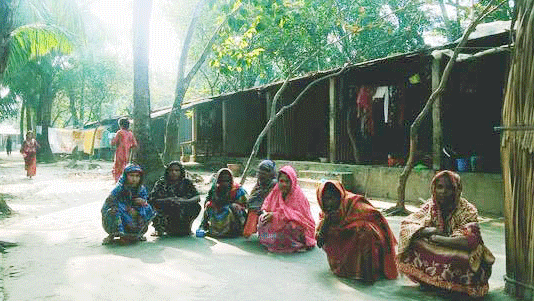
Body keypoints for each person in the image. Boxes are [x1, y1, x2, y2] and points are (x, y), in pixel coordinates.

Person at [397, 170, 495, 297]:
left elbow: (470, 240)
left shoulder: (467, 209)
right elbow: (407, 226)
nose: (443, 191)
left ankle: (456, 287)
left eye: (449, 188)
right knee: (413, 243)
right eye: (440, 187)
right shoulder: (430, 206)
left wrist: (439, 239)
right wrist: (430, 231)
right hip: (439, 244)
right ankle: (431, 282)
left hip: (460, 248)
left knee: (460, 259)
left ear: (457, 190)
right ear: (434, 189)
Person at [316, 180, 398, 282]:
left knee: (365, 231)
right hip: (343, 252)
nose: (329, 203)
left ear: (340, 196)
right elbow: (319, 242)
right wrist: (326, 223)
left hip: (364, 241)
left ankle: (367, 271)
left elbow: (377, 218)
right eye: (325, 200)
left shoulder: (354, 204)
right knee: (332, 231)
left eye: (332, 198)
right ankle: (344, 267)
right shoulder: (325, 214)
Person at [257, 165, 316, 253]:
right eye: (281, 181)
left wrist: (275, 215)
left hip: (298, 226)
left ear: (292, 182)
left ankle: (295, 244)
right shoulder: (276, 190)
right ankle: (271, 241)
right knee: (262, 220)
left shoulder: (298, 195)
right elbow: (266, 204)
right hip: (278, 221)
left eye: (287, 181)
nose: (284, 184)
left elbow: (300, 218)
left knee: (291, 226)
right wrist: (265, 213)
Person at [101, 164, 156, 244]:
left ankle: (137, 233)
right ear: (126, 176)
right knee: (113, 211)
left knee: (148, 208)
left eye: (137, 176)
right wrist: (125, 208)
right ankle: (115, 234)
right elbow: (109, 202)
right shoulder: (119, 188)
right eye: (131, 176)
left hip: (134, 215)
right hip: (121, 214)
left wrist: (142, 202)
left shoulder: (141, 189)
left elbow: (144, 200)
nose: (134, 179)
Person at [149, 161, 201, 236]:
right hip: (166, 210)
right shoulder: (161, 183)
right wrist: (168, 200)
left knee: (196, 206)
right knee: (152, 207)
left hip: (182, 208)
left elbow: (197, 197)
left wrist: (185, 201)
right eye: (171, 170)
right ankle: (159, 228)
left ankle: (186, 227)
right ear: (167, 171)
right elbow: (152, 199)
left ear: (181, 172)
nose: (174, 172)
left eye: (177, 170)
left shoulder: (186, 182)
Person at [198, 168, 248, 238]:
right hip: (217, 210)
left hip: (232, 214)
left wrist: (235, 206)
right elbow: (207, 200)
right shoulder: (214, 189)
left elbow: (246, 204)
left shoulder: (237, 190)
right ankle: (205, 227)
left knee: (233, 208)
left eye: (227, 181)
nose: (224, 183)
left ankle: (235, 230)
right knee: (208, 205)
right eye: (222, 181)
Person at [243, 160, 277, 237]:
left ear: (271, 172)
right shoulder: (260, 182)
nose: (262, 173)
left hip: (272, 208)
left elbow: (272, 200)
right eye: (261, 170)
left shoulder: (274, 184)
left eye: (266, 171)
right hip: (259, 206)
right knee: (253, 208)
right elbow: (252, 197)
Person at [111, 118, 138, 182]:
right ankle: (124, 180)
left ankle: (118, 181)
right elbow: (135, 144)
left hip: (119, 154)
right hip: (127, 154)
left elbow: (113, 143)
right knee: (125, 167)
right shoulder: (130, 133)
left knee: (117, 168)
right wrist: (128, 146)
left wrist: (112, 140)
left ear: (121, 125)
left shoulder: (120, 132)